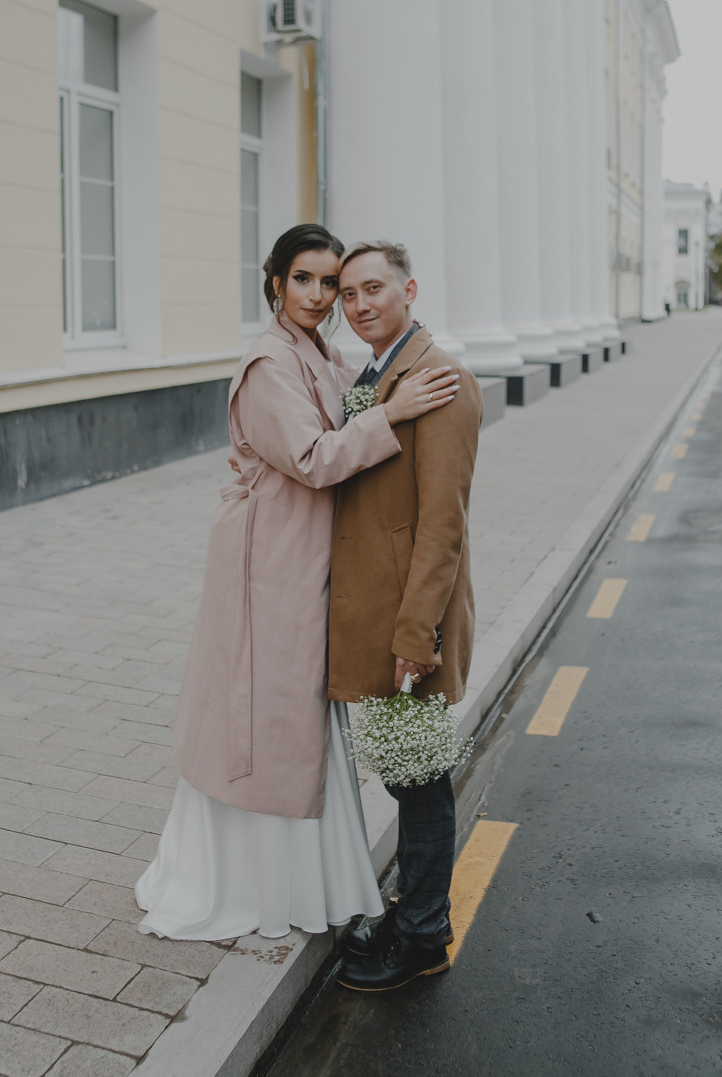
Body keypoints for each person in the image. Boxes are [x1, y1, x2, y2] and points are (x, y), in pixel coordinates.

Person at [135, 225, 459, 941]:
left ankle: (307, 877)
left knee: (295, 722)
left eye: (332, 284)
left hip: (304, 559)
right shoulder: (266, 362)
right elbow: (313, 458)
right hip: (269, 565)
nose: (321, 297)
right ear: (275, 282)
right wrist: (392, 412)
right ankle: (251, 885)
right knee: (264, 718)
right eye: (306, 280)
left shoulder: (317, 351)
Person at [328, 241, 483, 992]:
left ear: (409, 289)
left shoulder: (439, 379)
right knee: (400, 774)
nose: (359, 305)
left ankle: (422, 934)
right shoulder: (382, 370)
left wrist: (415, 635)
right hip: (380, 616)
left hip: (405, 627)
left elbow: (441, 524)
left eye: (373, 290)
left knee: (418, 781)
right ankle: (410, 911)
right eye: (348, 293)